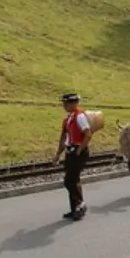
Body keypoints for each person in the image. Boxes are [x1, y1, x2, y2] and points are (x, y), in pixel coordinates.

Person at [52, 93, 92, 221]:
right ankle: (75, 208)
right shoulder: (68, 119)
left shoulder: (79, 116)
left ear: (74, 104)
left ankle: (80, 205)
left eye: (67, 103)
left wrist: (80, 150)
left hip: (78, 151)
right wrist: (58, 154)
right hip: (70, 152)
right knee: (73, 180)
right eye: (64, 103)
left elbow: (88, 134)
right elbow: (63, 138)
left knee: (70, 180)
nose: (64, 106)